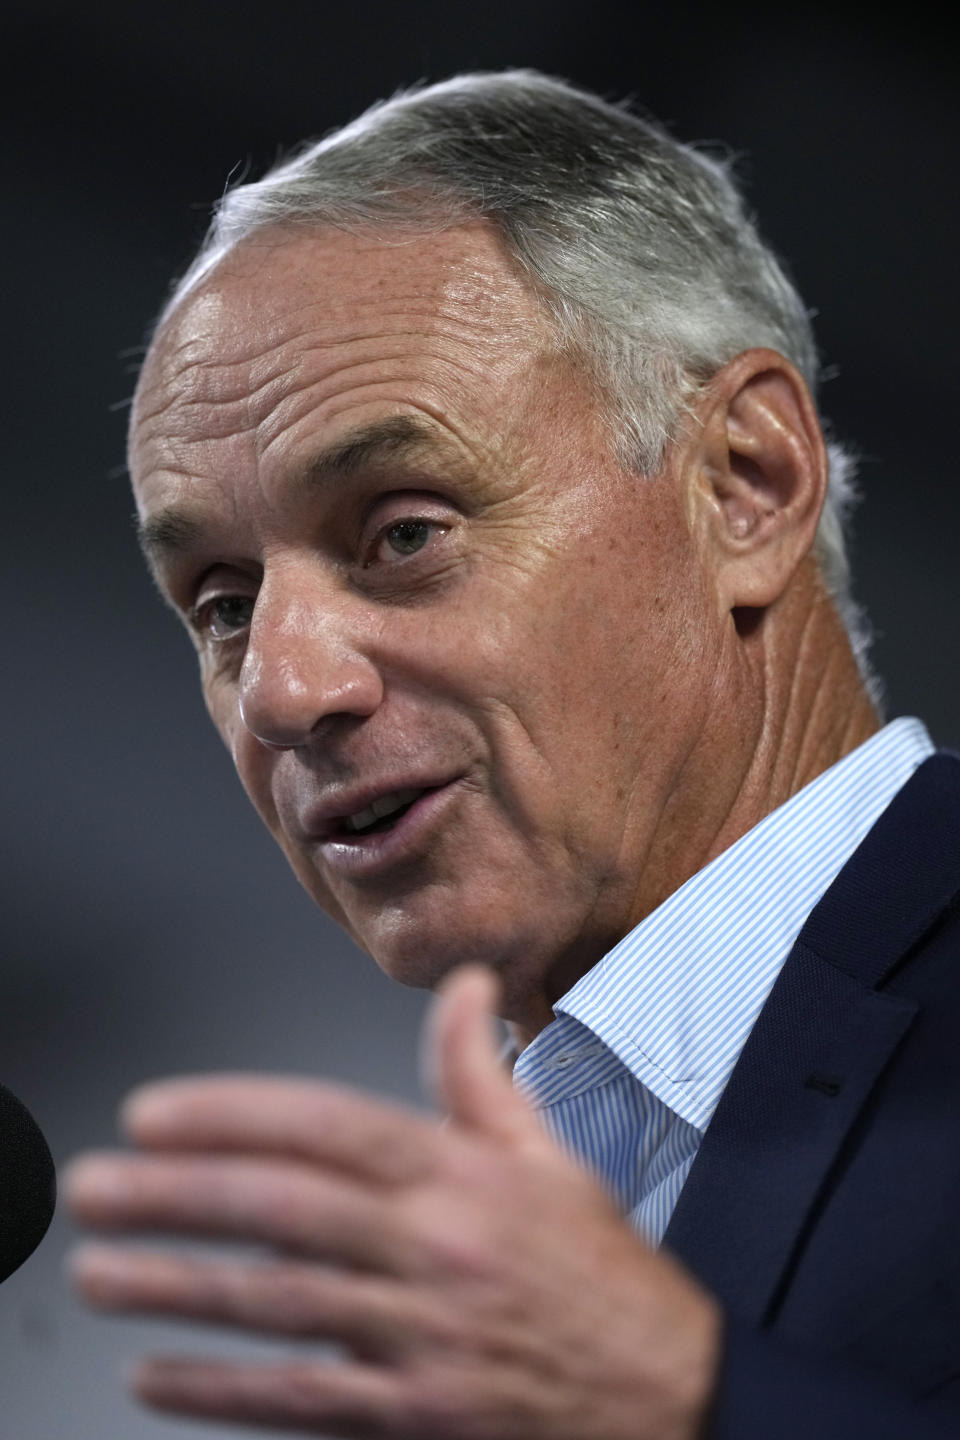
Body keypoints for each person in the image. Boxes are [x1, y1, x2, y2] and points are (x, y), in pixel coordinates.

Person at [65, 71, 960, 1438]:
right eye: (225, 607)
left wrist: (681, 1402)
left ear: (746, 486)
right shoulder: (490, 1238)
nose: (286, 690)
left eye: (404, 531)